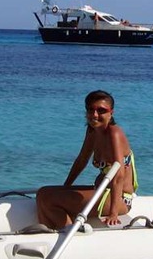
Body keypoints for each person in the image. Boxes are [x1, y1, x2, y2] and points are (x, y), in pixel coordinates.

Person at [35, 90, 139, 229]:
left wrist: (113, 213)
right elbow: (81, 160)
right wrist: (66, 187)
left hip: (119, 199)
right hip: (101, 191)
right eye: (91, 110)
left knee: (50, 199)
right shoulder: (92, 131)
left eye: (101, 110)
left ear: (111, 113)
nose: (94, 115)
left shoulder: (114, 133)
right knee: (43, 193)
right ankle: (57, 231)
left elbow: (118, 174)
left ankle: (67, 233)